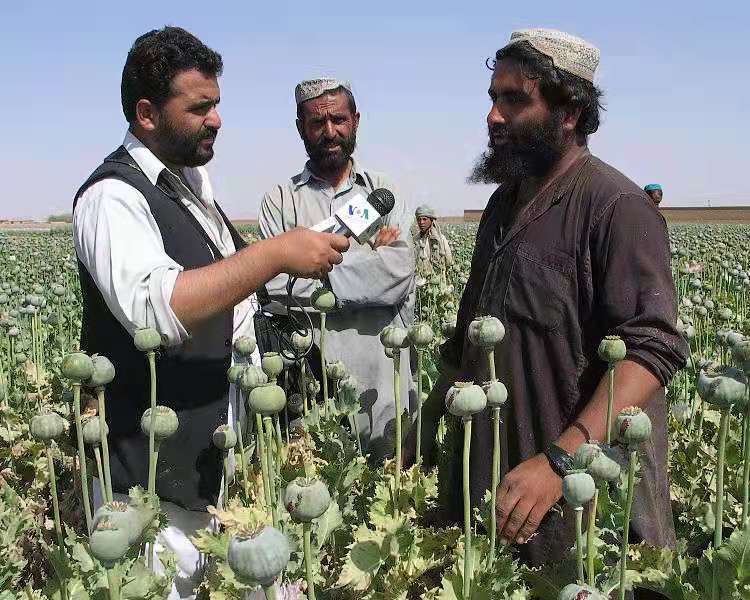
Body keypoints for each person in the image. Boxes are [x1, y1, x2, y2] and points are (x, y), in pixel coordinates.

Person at [73, 28, 349, 599]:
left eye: (217, 104)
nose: (216, 119)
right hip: (148, 493)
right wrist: (272, 254)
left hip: (210, 472)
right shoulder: (112, 197)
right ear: (147, 113)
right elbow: (158, 308)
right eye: (199, 107)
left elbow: (228, 294)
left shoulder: (192, 183)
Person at [407, 28, 688, 573]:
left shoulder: (617, 207)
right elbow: (468, 332)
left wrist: (560, 459)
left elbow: (652, 351)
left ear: (569, 113)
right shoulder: (501, 205)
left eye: (514, 99)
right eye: (492, 97)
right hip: (501, 486)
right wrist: (422, 426)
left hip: (584, 505)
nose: (493, 115)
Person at [258, 78, 416, 459]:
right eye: (317, 123)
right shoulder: (280, 200)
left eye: (339, 119)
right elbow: (275, 287)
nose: (330, 132)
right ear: (301, 128)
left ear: (355, 121)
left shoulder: (383, 190)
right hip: (311, 393)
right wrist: (366, 261)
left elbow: (398, 274)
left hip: (384, 391)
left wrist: (307, 263)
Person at [414, 204, 453, 284]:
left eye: (424, 219)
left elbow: (448, 261)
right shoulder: (415, 240)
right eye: (419, 219)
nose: (421, 222)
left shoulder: (441, 239)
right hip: (420, 282)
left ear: (431, 220)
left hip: (438, 282)